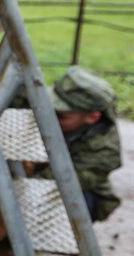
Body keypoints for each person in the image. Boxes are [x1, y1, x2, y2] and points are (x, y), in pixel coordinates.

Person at [39, 66, 122, 222]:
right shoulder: (62, 114)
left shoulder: (104, 151)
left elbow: (58, 180)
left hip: (72, 189)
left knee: (73, 204)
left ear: (92, 117)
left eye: (60, 115)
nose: (47, 116)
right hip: (43, 168)